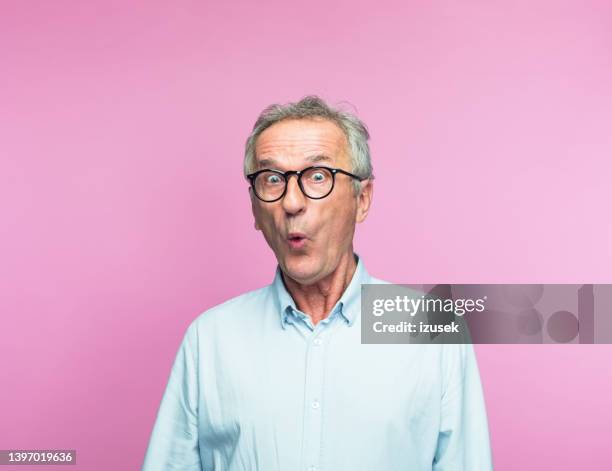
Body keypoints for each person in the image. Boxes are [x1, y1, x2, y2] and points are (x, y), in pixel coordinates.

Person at [141, 96, 493, 470]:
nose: (292, 202)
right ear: (255, 209)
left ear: (363, 199)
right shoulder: (210, 340)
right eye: (272, 179)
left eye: (318, 177)